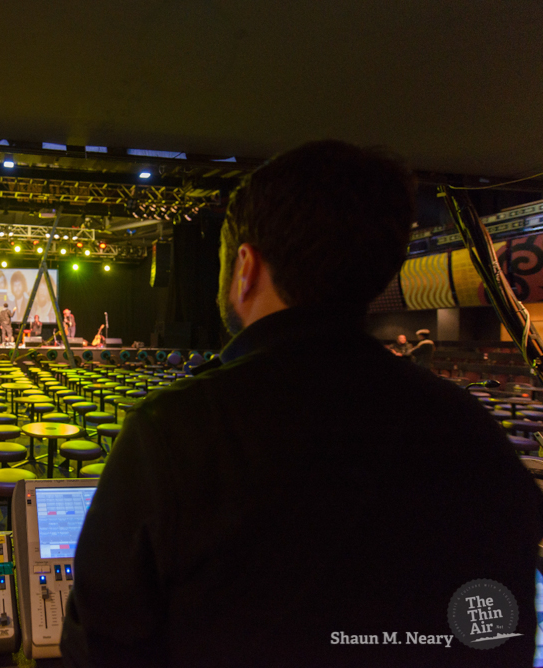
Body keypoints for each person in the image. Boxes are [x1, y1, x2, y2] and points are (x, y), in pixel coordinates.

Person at [60, 140, 543, 667]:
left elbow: (100, 646)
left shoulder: (171, 431)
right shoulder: (476, 438)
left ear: (244, 267)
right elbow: (498, 636)